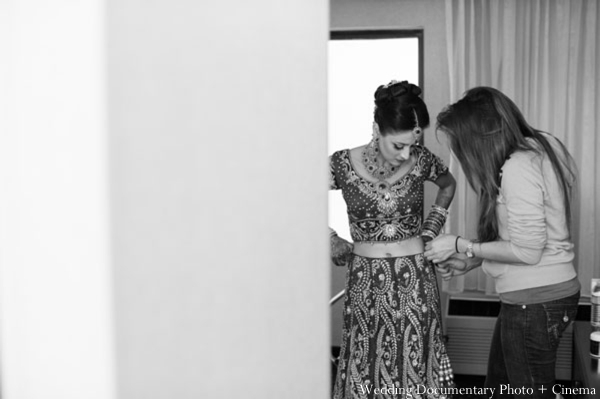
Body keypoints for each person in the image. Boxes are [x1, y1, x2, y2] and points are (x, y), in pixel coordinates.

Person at [424, 87, 580, 399]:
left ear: (480, 138)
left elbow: (527, 251)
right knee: (498, 388)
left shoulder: (518, 167)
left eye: (461, 145)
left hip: (534, 302)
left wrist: (459, 245)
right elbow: (526, 236)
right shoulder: (541, 150)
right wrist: (474, 259)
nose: (460, 154)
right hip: (537, 298)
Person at [329, 80, 456, 399]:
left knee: (415, 356)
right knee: (365, 356)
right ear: (376, 129)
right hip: (364, 280)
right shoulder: (342, 163)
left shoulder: (422, 159)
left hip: (416, 280)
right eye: (396, 145)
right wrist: (328, 238)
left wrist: (430, 230)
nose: (404, 154)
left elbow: (448, 185)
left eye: (410, 145)